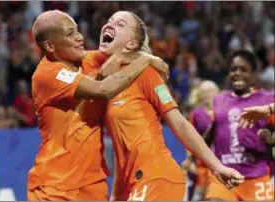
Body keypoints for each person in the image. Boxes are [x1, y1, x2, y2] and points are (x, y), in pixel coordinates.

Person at [94, 11, 244, 201]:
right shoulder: (107, 83)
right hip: (133, 184)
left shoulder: (146, 74)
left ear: (132, 43)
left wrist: (217, 167)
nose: (109, 24)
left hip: (158, 177)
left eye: (120, 24)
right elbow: (121, 148)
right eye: (109, 21)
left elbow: (179, 123)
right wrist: (117, 194)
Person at [27, 10, 168, 201]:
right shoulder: (46, 74)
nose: (79, 37)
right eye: (70, 34)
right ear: (50, 46)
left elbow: (123, 54)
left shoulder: (88, 59)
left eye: (77, 30)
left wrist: (146, 58)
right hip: (54, 187)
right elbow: (104, 90)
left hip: (93, 187)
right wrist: (145, 60)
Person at [204, 50, 274, 201]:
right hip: (225, 176)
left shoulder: (267, 99)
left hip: (257, 176)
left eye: (243, 69)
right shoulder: (219, 100)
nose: (238, 73)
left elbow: (272, 129)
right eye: (233, 69)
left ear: (253, 74)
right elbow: (212, 133)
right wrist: (192, 158)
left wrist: (270, 137)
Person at [182, 80, 220, 201]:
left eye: (209, 91)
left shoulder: (223, 112)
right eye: (203, 92)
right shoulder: (196, 114)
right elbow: (189, 138)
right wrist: (189, 159)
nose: (207, 94)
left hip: (222, 163)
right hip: (202, 165)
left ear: (217, 92)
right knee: (202, 196)